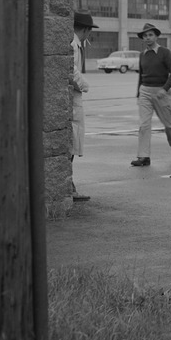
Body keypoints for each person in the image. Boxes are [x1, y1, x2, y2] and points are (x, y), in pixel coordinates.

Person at [132, 23, 171, 166]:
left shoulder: (164, 52)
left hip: (161, 92)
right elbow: (141, 75)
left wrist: (165, 89)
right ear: (143, 38)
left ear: (156, 36)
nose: (148, 38)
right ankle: (144, 157)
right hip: (145, 92)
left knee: (169, 123)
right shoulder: (142, 55)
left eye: (150, 35)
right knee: (143, 125)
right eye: (145, 36)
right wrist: (138, 94)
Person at [70, 11, 98, 201]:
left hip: (74, 98)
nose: (89, 35)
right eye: (89, 31)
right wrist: (85, 85)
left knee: (73, 140)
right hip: (72, 98)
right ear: (85, 29)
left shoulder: (77, 44)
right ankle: (68, 186)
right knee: (72, 141)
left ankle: (69, 184)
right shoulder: (73, 45)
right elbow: (71, 70)